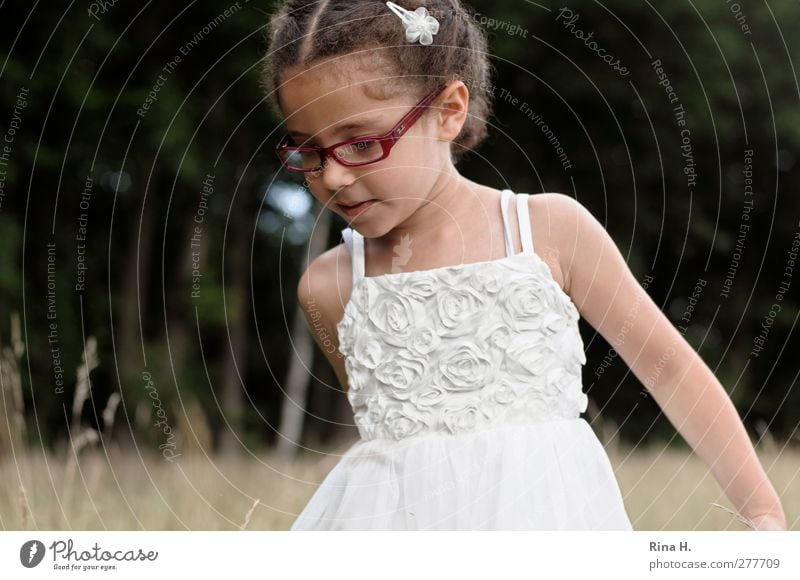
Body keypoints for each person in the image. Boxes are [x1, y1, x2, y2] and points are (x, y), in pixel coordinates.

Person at [261, 0, 787, 530]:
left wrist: (762, 513)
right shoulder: (329, 286)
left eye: (361, 143)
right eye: (308, 151)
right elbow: (387, 431)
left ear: (448, 111)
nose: (329, 178)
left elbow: (668, 369)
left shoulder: (547, 230)